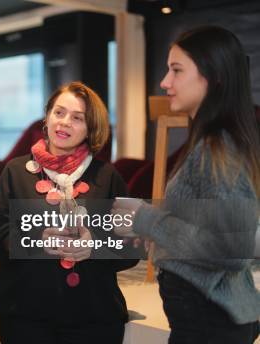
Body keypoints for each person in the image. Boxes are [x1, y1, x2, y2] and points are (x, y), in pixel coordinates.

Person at [112, 26, 260, 343]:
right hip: (213, 316)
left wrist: (145, 218)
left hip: (210, 321)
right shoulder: (214, 144)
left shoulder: (217, 149)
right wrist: (158, 234)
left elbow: (232, 247)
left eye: (176, 70)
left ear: (213, 76)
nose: (165, 82)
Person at [0, 81, 139, 343]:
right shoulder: (16, 171)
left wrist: (95, 246)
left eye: (77, 118)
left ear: (91, 128)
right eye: (59, 113)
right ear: (46, 118)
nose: (65, 122)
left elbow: (130, 247)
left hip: (92, 319)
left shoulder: (107, 177)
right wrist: (36, 239)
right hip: (25, 317)